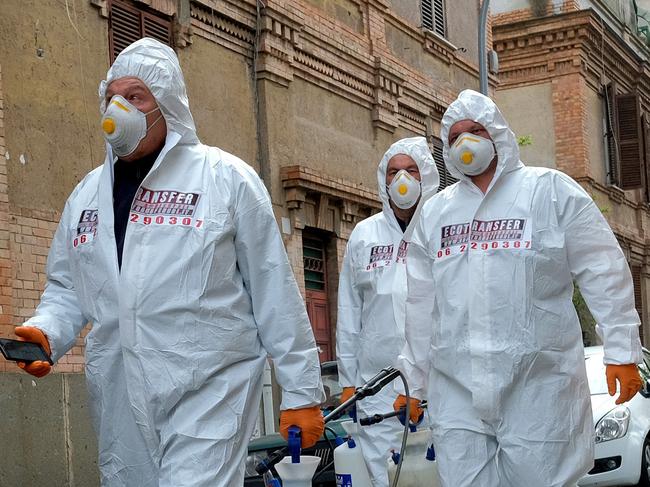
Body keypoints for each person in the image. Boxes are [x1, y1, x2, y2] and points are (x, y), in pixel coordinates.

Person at [13, 38, 325, 487]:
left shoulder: (224, 179)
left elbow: (273, 289)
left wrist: (301, 391)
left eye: (135, 97)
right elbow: (68, 288)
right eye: (111, 97)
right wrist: (46, 331)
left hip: (209, 391)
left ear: (167, 104)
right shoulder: (86, 196)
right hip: (120, 394)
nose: (119, 108)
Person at [394, 89, 644, 486]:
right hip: (456, 388)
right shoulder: (436, 214)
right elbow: (421, 304)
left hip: (538, 384)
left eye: (475, 130)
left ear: (497, 133)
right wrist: (413, 378)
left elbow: (603, 268)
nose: (465, 142)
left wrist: (622, 349)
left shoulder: (549, 191)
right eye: (455, 136)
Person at [337, 137, 439, 486]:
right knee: (386, 479)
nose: (402, 180)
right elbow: (350, 314)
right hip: (377, 391)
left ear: (426, 174)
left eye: (411, 170)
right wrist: (349, 382)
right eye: (394, 172)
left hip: (438, 388)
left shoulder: (440, 228)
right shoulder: (365, 236)